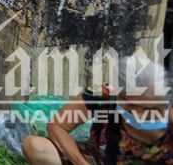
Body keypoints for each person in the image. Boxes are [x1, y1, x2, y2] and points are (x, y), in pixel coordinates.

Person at [22, 56, 172, 165]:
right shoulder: (102, 95)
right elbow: (57, 125)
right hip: (102, 159)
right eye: (129, 103)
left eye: (150, 108)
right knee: (35, 146)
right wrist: (80, 162)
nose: (138, 113)